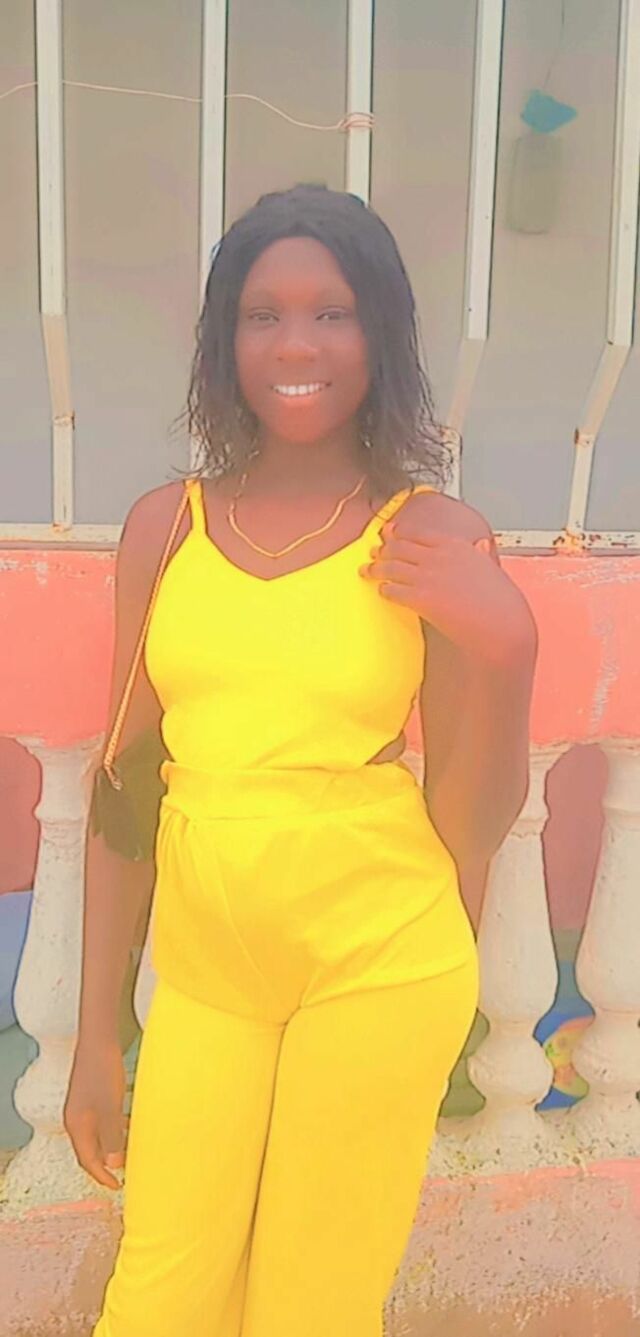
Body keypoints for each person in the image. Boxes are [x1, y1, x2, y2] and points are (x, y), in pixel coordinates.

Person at [63, 183, 537, 1337]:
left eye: (332, 313)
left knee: (308, 1309)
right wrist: (95, 1035)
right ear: (224, 339)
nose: (295, 345)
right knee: (159, 1299)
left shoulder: (424, 534)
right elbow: (124, 788)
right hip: (210, 979)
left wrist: (508, 648)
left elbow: (469, 822)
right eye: (262, 314)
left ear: (380, 334)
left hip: (379, 961)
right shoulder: (164, 528)